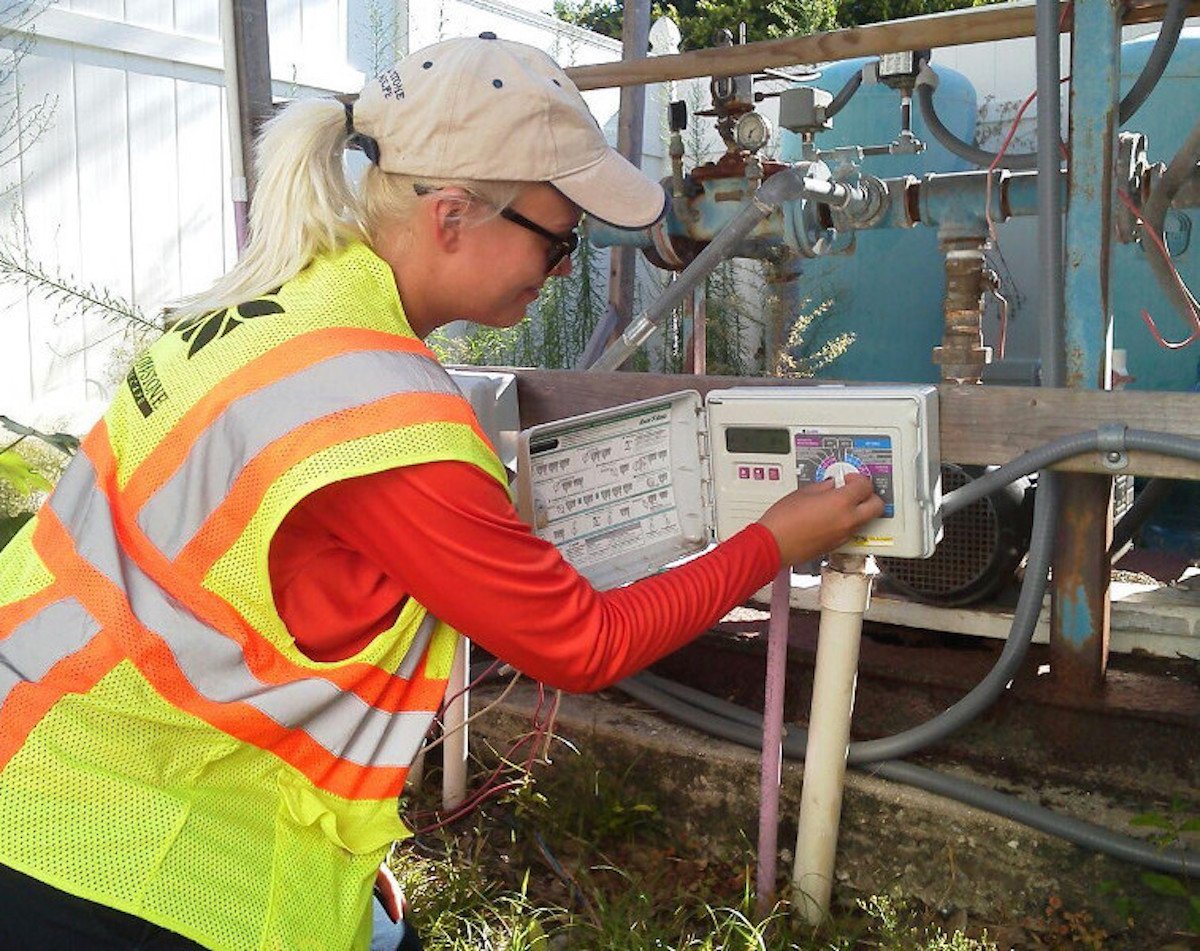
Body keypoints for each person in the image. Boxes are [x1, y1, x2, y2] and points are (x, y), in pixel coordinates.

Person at [0, 34, 884, 951]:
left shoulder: (262, 312)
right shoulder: (382, 416)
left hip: (49, 749)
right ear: (453, 214)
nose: (566, 265)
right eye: (561, 237)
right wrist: (777, 539)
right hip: (113, 849)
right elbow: (584, 643)